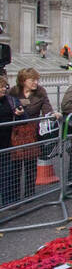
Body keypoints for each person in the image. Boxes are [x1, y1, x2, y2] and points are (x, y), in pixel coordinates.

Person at [11, 67, 54, 199]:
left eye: (36, 79)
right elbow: (7, 106)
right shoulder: (14, 91)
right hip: (16, 132)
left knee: (30, 164)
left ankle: (30, 193)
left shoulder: (40, 92)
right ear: (23, 80)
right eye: (32, 80)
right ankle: (14, 195)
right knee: (15, 166)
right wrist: (14, 112)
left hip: (32, 132)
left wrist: (52, 114)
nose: (35, 82)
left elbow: (47, 107)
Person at [0, 73, 23, 204]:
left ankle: (8, 200)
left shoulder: (10, 100)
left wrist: (19, 114)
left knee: (7, 172)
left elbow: (24, 117)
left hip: (8, 141)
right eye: (1, 87)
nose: (4, 89)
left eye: (4, 87)